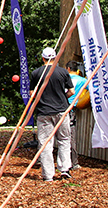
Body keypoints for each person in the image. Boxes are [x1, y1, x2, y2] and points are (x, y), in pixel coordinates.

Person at [30, 47, 75, 181]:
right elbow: (72, 91)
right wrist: (62, 97)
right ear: (55, 58)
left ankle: (48, 175)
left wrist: (41, 99)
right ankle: (65, 169)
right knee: (64, 140)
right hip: (61, 110)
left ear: (43, 58)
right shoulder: (62, 72)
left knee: (45, 144)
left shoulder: (36, 73)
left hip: (44, 112)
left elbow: (32, 93)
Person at [66, 61, 88, 172]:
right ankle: (74, 163)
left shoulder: (63, 77)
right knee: (71, 136)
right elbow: (93, 90)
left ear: (68, 68)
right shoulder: (83, 80)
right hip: (72, 108)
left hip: (60, 106)